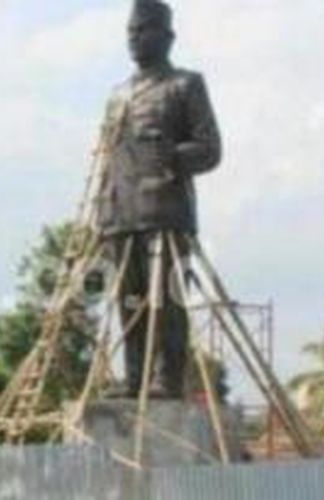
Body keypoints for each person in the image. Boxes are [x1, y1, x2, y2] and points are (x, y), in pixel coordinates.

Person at [95, 0, 222, 399]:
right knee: (128, 300)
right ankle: (135, 378)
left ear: (166, 36)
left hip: (167, 211)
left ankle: (167, 377)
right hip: (122, 213)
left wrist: (173, 154)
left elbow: (210, 149)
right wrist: (102, 211)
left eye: (143, 30)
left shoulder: (185, 84)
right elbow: (106, 157)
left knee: (167, 299)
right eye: (130, 32)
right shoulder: (117, 95)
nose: (135, 39)